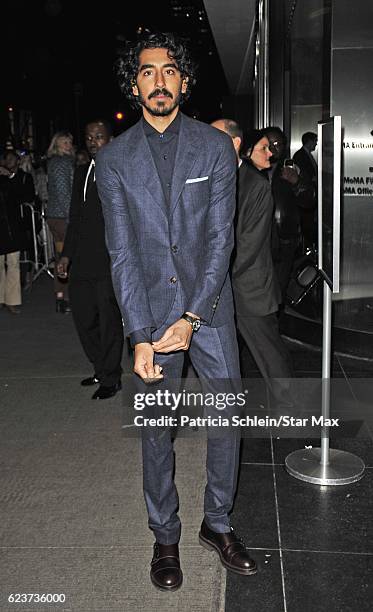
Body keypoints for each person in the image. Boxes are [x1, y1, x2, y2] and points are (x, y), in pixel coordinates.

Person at [95, 31, 256, 592]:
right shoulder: (113, 159)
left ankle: (218, 523)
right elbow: (121, 253)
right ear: (133, 82)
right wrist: (140, 334)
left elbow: (220, 242)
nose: (158, 80)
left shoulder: (214, 150)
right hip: (149, 316)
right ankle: (165, 536)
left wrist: (191, 318)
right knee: (157, 432)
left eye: (168, 71)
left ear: (184, 81)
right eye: (146, 71)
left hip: (208, 311)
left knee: (226, 421)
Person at [211, 120, 294, 409]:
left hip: (248, 287)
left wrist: (215, 276)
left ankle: (289, 410)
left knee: (268, 353)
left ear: (234, 144)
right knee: (223, 352)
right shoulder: (218, 178)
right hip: (225, 284)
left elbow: (248, 244)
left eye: (214, 136)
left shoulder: (255, 185)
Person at [57, 120, 124, 400]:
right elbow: (75, 220)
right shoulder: (82, 171)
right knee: (85, 320)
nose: (93, 141)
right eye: (89, 137)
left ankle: (111, 377)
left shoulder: (122, 171)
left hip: (109, 261)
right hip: (82, 260)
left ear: (111, 139)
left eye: (99, 136)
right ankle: (101, 367)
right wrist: (66, 255)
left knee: (109, 321)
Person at [262, 126, 302, 303]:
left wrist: (297, 183)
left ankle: (275, 323)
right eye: (269, 143)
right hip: (258, 238)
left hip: (284, 237)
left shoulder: (291, 169)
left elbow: (310, 200)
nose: (273, 148)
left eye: (278, 144)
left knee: (279, 287)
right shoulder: (252, 167)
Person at [0, 150, 35, 314]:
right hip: (2, 226)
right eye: (6, 158)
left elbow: (25, 195)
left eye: (12, 158)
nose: (8, 161)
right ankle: (0, 298)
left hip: (14, 226)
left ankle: (12, 300)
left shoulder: (22, 177)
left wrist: (11, 177)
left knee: (13, 263)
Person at [46, 131, 75, 313]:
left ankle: (60, 296)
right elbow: (65, 194)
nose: (68, 145)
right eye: (64, 142)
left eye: (69, 141)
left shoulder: (53, 163)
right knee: (69, 257)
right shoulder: (62, 163)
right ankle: (68, 296)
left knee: (61, 256)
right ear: (56, 144)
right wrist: (70, 218)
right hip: (63, 219)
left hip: (55, 217)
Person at [293, 131, 318, 248]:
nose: (316, 144)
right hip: (305, 195)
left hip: (310, 193)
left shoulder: (306, 154)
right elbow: (302, 175)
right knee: (306, 222)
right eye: (315, 141)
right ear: (309, 141)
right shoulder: (300, 155)